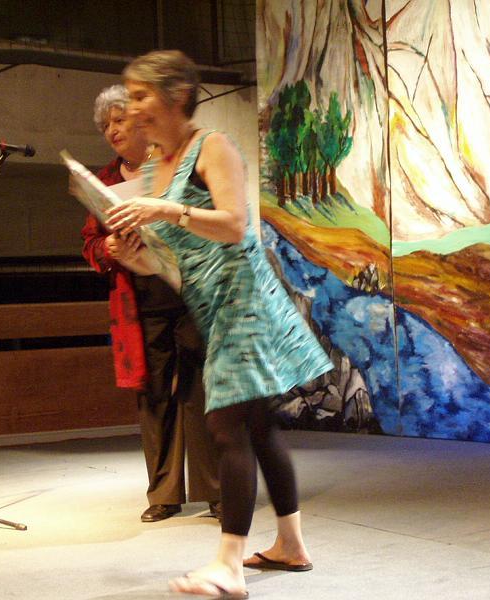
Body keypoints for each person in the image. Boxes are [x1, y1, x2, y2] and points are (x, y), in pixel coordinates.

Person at [105, 51, 334, 598]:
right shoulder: (156, 168)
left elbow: (234, 226)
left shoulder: (213, 147)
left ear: (177, 96)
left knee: (227, 426)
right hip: (211, 305)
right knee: (257, 425)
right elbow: (175, 261)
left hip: (243, 301)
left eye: (141, 96)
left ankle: (229, 565)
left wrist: (165, 211)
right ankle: (291, 545)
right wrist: (134, 257)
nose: (131, 108)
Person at [81, 84, 221, 524]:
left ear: (143, 121)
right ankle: (163, 493)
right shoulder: (105, 181)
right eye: (105, 126)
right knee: (154, 395)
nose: (112, 130)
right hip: (141, 301)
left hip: (189, 290)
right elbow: (89, 242)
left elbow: (209, 219)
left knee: (201, 390)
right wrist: (108, 248)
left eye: (119, 120)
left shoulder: (175, 164)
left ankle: (216, 491)